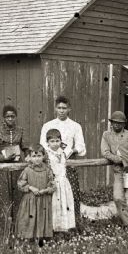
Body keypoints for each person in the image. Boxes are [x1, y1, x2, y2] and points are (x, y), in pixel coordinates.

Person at [39, 96, 86, 226]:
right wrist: (53, 153)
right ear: (55, 108)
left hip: (68, 163)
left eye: (64, 108)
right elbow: (42, 144)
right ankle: (51, 226)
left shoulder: (75, 126)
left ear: (69, 109)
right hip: (51, 163)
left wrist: (71, 150)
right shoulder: (48, 125)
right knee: (53, 194)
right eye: (59, 108)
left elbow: (82, 147)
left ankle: (73, 225)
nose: (61, 111)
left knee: (72, 194)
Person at [0, 104, 28, 235]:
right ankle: (1, 231)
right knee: (1, 199)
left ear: (16, 117)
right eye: (7, 116)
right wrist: (2, 157)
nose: (10, 119)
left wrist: (28, 158)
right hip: (1, 171)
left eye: (12, 116)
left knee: (18, 198)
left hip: (16, 169)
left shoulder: (21, 131)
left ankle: (18, 230)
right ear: (3, 118)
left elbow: (25, 148)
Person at [15, 144, 55, 242]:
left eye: (39, 156)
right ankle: (28, 239)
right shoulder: (27, 170)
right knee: (29, 218)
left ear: (43, 156)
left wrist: (45, 190)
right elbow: (21, 183)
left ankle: (41, 238)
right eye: (34, 156)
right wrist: (31, 188)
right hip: (30, 199)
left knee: (41, 218)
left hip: (43, 200)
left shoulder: (47, 170)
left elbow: (52, 185)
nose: (37, 159)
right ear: (30, 157)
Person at [44, 128, 75, 232]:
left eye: (57, 141)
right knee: (54, 205)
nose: (55, 144)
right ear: (47, 142)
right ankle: (53, 228)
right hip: (53, 182)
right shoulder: (46, 154)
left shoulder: (62, 153)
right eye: (52, 141)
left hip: (63, 182)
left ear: (61, 141)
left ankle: (64, 227)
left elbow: (68, 151)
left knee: (64, 203)